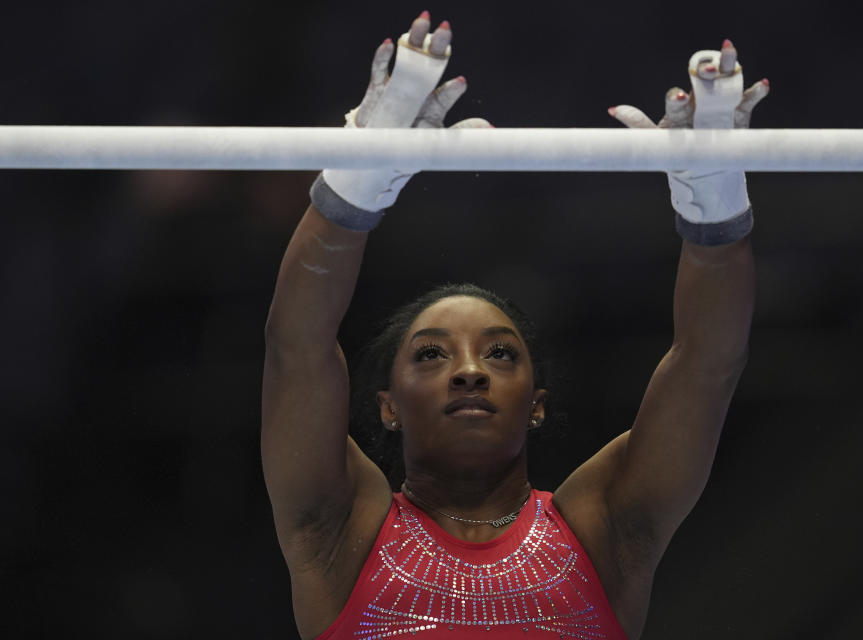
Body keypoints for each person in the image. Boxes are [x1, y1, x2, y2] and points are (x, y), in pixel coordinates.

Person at [261, 11, 768, 640]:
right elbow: (297, 348)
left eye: (500, 355)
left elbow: (707, 366)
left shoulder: (607, 528)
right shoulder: (337, 533)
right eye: (430, 356)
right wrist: (359, 177)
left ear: (536, 404)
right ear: (386, 407)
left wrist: (713, 195)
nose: (470, 371)